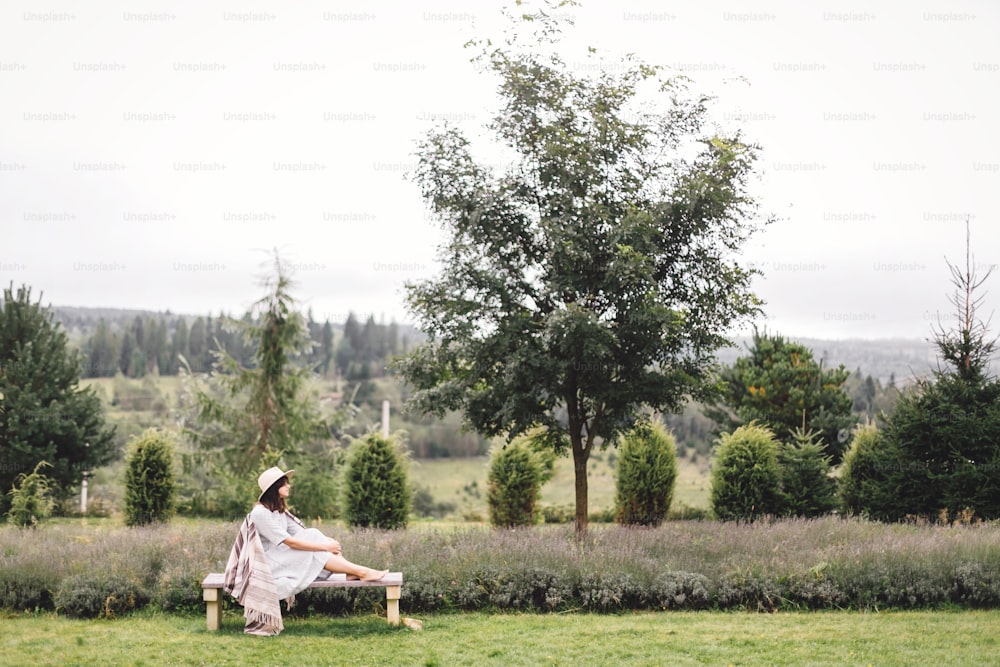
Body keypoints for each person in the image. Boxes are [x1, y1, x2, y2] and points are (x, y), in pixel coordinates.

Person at [249, 466, 389, 600]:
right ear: (274, 488)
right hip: (270, 564)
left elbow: (302, 533)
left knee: (314, 534)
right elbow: (290, 542)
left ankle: (353, 572)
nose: (289, 486)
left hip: (282, 557)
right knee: (317, 541)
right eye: (284, 484)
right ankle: (361, 571)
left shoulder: (278, 510)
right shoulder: (260, 513)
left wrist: (327, 541)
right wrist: (326, 547)